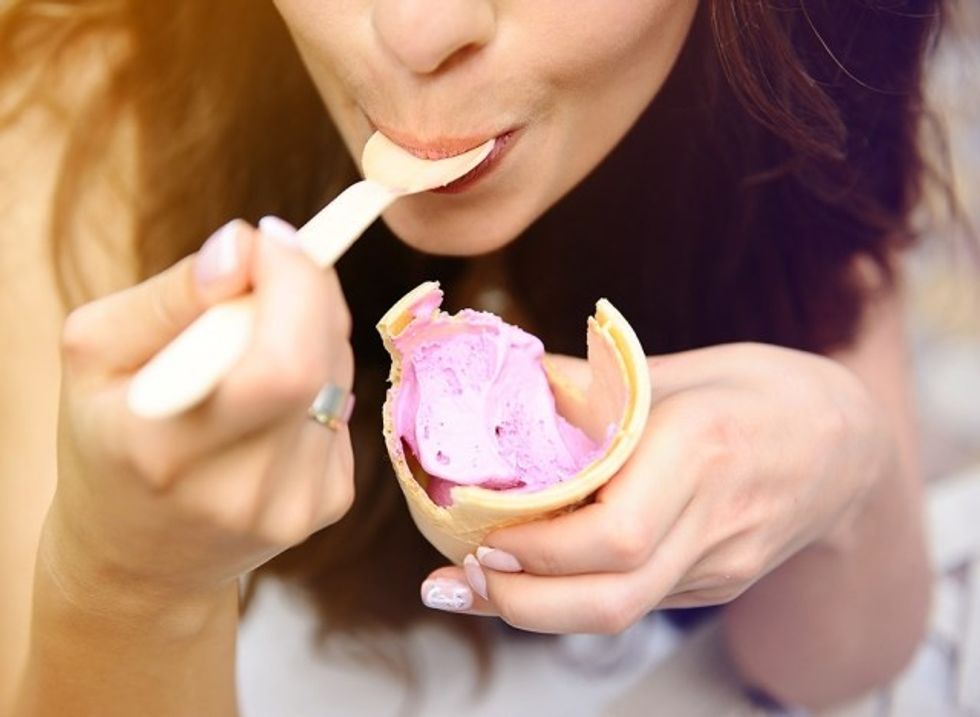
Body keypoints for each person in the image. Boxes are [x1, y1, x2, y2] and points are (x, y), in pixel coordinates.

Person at [0, 0, 946, 714]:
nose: (416, 28)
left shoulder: (786, 92)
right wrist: (127, 583)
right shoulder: (73, 127)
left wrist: (850, 471)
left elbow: (832, 669)